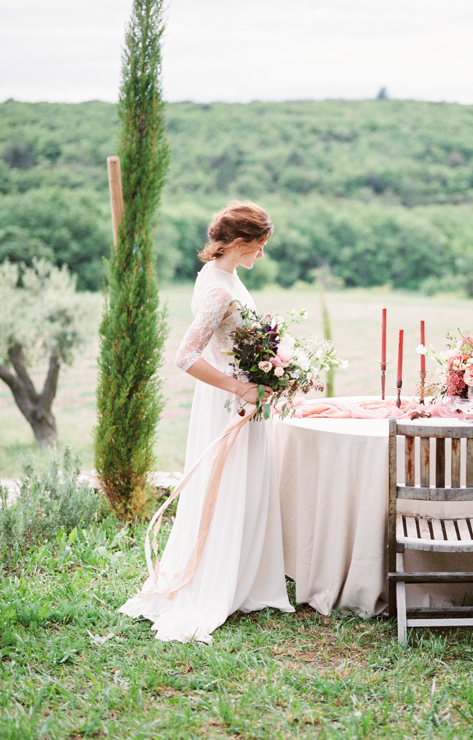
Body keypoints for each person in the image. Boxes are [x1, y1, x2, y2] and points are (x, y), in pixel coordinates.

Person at [120, 201, 293, 642]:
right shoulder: (218, 289)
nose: (262, 254)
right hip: (227, 401)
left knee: (245, 485)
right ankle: (219, 581)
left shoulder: (223, 275)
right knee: (227, 487)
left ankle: (245, 578)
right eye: (260, 246)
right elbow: (185, 356)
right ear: (239, 243)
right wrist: (241, 387)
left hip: (239, 395)